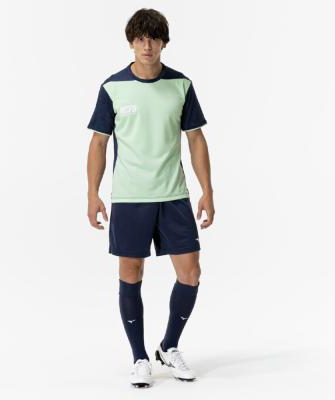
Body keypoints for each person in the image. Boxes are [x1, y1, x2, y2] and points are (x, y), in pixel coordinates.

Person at [86, 8, 215, 388]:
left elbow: (196, 138)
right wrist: (92, 194)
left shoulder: (181, 85)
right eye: (141, 39)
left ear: (163, 43)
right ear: (131, 42)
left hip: (173, 195)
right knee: (131, 273)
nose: (147, 46)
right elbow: (98, 143)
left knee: (190, 273)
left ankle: (168, 346)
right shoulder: (113, 87)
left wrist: (207, 190)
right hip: (130, 197)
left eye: (154, 39)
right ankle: (139, 357)